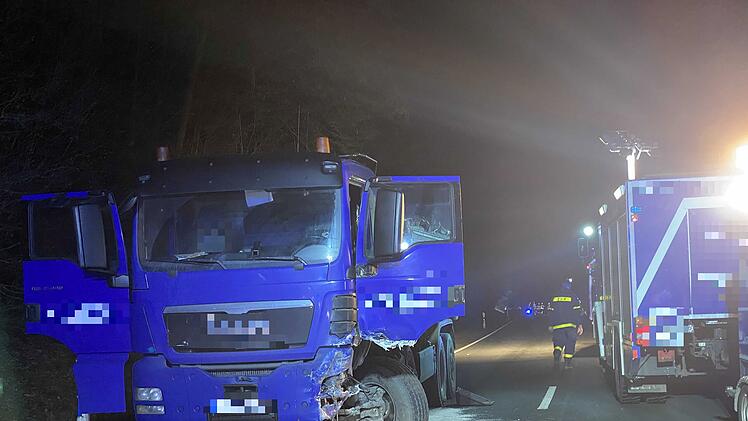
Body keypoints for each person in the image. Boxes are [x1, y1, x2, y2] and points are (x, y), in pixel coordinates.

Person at [547, 276, 585, 368]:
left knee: (558, 342)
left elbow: (550, 311)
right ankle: (568, 363)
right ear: (569, 286)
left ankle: (557, 352)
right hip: (570, 326)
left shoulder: (554, 297)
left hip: (557, 326)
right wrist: (579, 324)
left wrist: (550, 324)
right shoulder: (573, 296)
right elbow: (577, 311)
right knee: (570, 343)